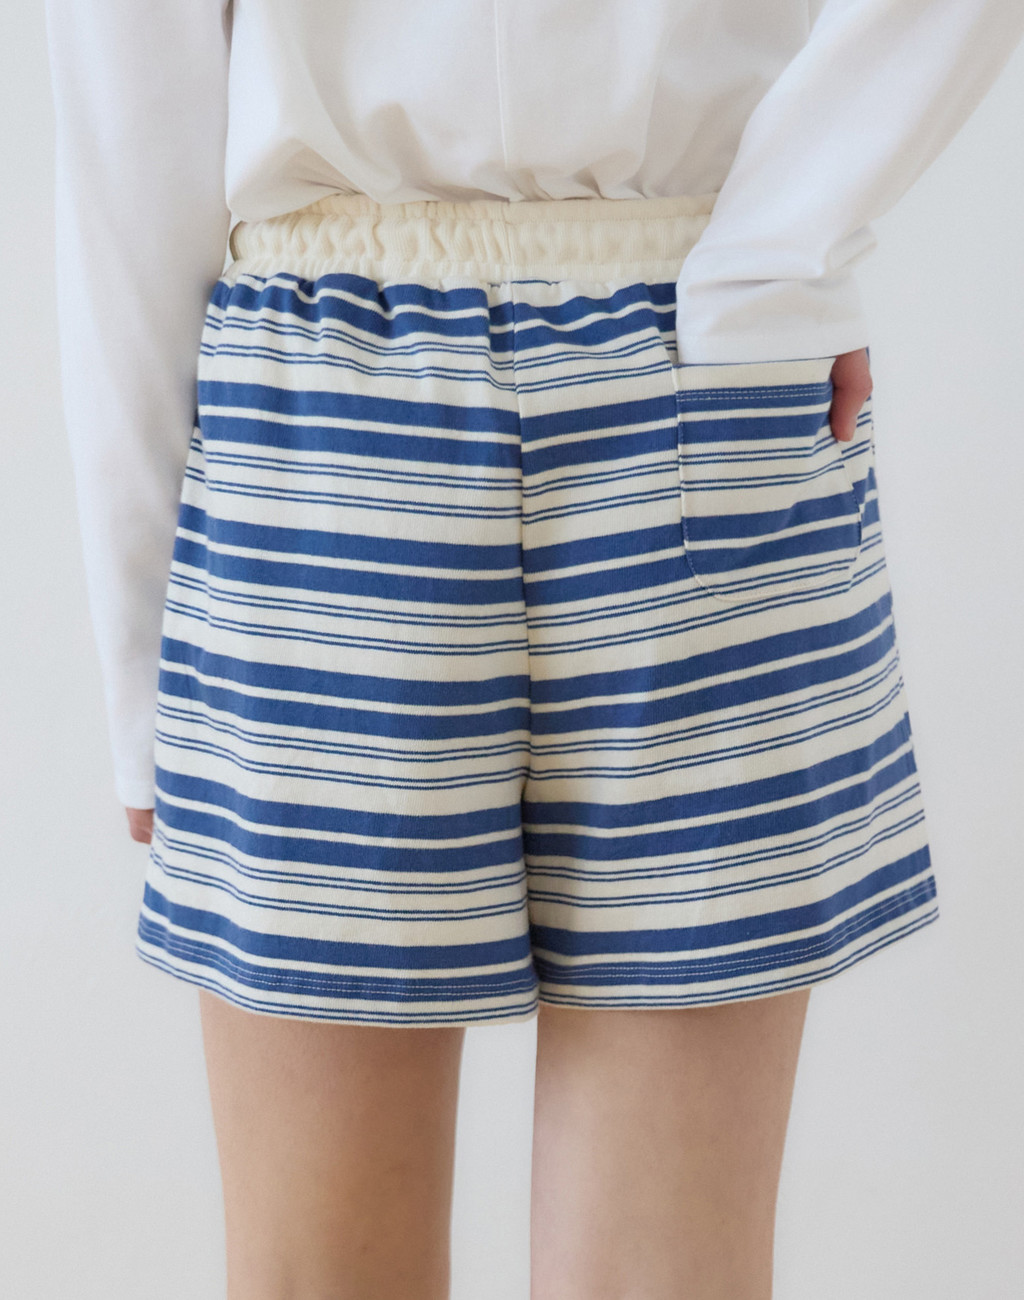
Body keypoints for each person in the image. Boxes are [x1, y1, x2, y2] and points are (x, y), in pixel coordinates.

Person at [42, 2, 1024, 1297]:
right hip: (698, 361)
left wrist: (143, 678)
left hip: (334, 414)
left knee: (319, 1275)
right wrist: (781, 244)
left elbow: (131, 128)